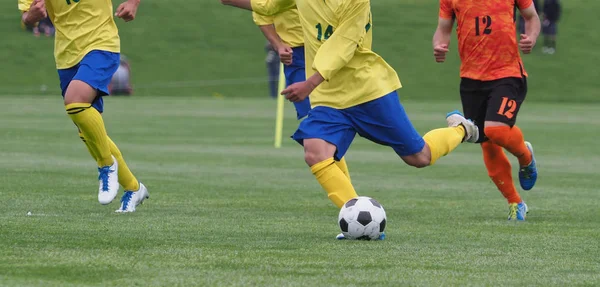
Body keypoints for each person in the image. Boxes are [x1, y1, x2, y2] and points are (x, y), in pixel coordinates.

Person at [222, 0, 478, 239]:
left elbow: (342, 46)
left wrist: (310, 83)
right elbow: (266, 5)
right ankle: (356, 217)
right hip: (328, 96)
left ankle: (460, 129)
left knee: (419, 157)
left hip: (367, 89)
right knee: (315, 151)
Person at [19, 0, 148, 212]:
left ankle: (107, 165)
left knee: (75, 101)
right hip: (67, 56)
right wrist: (31, 16)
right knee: (87, 131)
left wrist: (133, 3)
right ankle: (134, 188)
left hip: (101, 43)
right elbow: (26, 19)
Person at [433, 0, 540, 220]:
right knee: (487, 144)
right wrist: (439, 45)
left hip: (507, 73)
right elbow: (443, 30)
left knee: (496, 130)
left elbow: (531, 17)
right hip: (471, 80)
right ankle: (515, 202)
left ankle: (525, 156)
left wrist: (532, 37)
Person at [252, 6, 353, 182]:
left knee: (330, 123)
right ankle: (350, 200)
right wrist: (278, 45)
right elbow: (261, 12)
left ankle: (350, 200)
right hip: (298, 54)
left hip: (331, 48)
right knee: (319, 128)